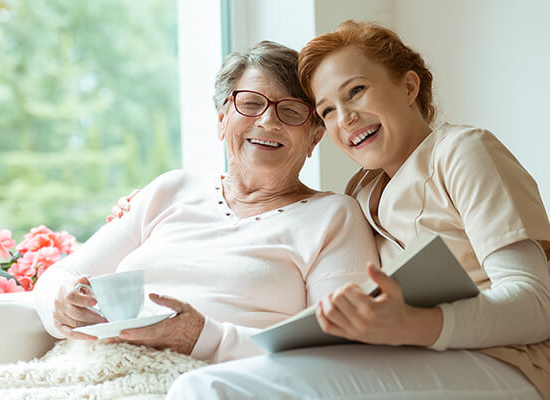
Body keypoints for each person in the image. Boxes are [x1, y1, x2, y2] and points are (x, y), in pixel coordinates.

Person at [163, 20, 550, 399]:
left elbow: (535, 304)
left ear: (409, 86)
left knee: (204, 387)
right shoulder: (361, 194)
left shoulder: (463, 151)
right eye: (327, 110)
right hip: (413, 357)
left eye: (356, 91)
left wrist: (415, 325)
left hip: (508, 362)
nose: (345, 118)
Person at [33, 40, 379, 364]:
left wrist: (205, 338)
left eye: (291, 111)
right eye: (251, 103)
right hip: (95, 367)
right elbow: (63, 274)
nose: (268, 120)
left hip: (217, 383)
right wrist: (60, 303)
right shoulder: (171, 189)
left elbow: (335, 348)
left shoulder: (334, 216)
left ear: (314, 137)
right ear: (221, 120)